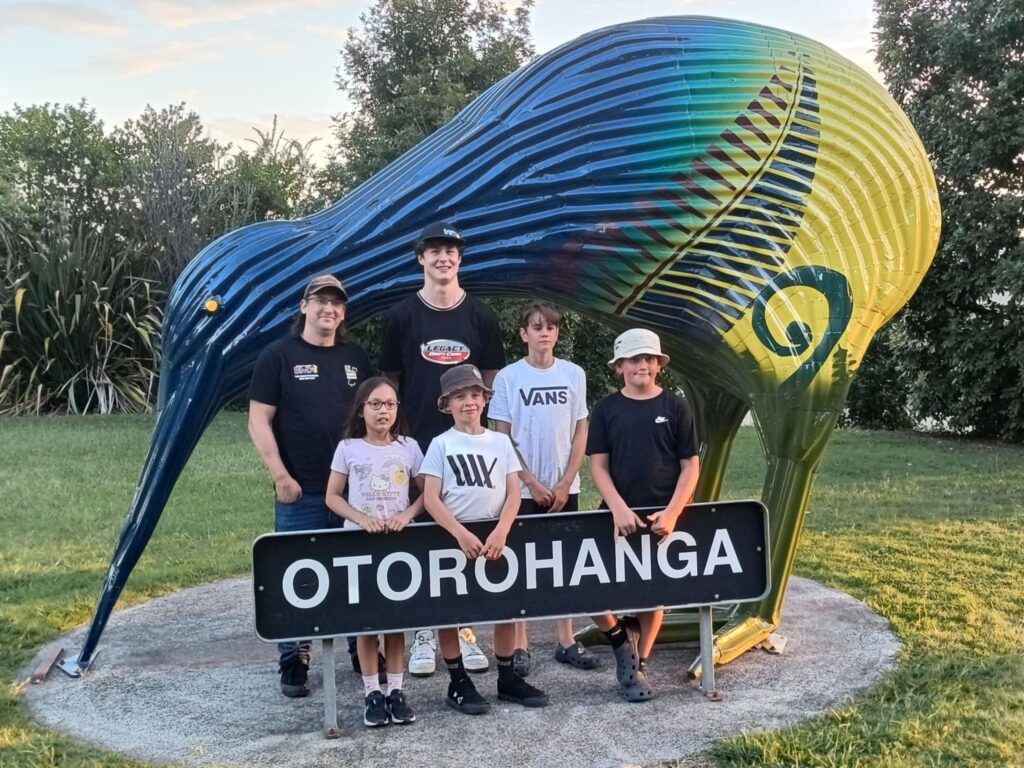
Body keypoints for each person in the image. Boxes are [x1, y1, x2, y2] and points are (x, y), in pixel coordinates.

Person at [380, 221, 506, 677]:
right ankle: (422, 631)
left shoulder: (481, 316)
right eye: (434, 251)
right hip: (416, 443)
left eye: (451, 251)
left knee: (464, 533)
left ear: (460, 258)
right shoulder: (400, 317)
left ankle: (464, 627)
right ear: (420, 258)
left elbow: (491, 381)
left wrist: (479, 428)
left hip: (468, 446)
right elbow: (389, 384)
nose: (443, 258)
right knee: (421, 536)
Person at [248, 274, 372, 698]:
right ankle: (293, 657)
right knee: (298, 574)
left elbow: (375, 418)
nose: (329, 309)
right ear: (303, 306)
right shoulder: (277, 356)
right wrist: (280, 475)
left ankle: (363, 648)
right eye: (320, 301)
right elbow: (258, 420)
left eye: (336, 303)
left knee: (357, 572)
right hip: (301, 490)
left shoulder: (356, 358)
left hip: (356, 493)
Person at [420, 364, 550, 714]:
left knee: (505, 609)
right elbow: (431, 497)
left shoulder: (500, 441)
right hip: (455, 533)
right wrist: (459, 533)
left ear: (485, 400)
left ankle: (507, 678)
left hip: (495, 533)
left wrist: (502, 530)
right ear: (447, 404)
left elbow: (513, 492)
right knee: (451, 610)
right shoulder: (441, 444)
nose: (469, 403)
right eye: (460, 397)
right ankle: (458, 680)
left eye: (475, 395)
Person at [585, 328, 700, 702]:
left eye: (649, 359)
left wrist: (673, 512)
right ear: (619, 366)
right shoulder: (605, 409)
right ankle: (621, 640)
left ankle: (640, 664)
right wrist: (617, 508)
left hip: (661, 521)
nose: (643, 366)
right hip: (615, 517)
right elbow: (598, 467)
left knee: (654, 595)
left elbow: (690, 466)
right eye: (635, 359)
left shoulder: (676, 407)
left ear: (659, 366)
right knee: (587, 592)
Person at [489, 301, 599, 676]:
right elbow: (501, 436)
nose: (545, 333)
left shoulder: (574, 374)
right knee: (521, 566)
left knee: (564, 564)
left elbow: (581, 428)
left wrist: (567, 481)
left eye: (551, 327)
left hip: (565, 487)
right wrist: (531, 483)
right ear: (524, 334)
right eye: (537, 327)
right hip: (521, 491)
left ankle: (566, 640)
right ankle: (520, 646)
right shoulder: (508, 378)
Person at [326, 377, 424, 727]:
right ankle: (372, 693)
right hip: (360, 543)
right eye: (376, 404)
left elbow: (428, 492)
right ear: (362, 409)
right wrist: (360, 519)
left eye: (390, 404)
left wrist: (406, 516)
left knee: (395, 621)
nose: (384, 411)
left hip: (397, 546)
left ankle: (396, 690)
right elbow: (333, 496)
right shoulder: (348, 448)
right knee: (367, 623)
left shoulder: (409, 447)